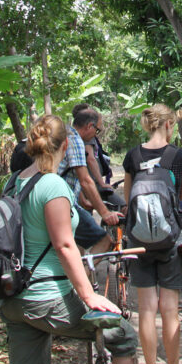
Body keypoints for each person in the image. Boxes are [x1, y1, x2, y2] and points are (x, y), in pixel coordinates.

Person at [0, 114, 138, 364]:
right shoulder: (53, 184)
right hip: (46, 297)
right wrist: (89, 297)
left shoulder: (15, 181)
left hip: (15, 300)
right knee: (124, 336)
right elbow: (64, 245)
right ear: (65, 146)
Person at [122, 104, 182, 364]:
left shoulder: (132, 156)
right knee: (170, 309)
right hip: (170, 238)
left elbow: (129, 198)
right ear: (168, 125)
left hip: (139, 241)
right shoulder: (181, 156)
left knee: (147, 309)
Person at [58, 109, 120, 255]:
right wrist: (105, 213)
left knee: (77, 247)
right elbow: (85, 180)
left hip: (60, 199)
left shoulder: (63, 134)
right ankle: (82, 277)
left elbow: (68, 175)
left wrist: (84, 201)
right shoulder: (75, 140)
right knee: (104, 241)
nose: (95, 135)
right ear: (89, 126)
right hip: (64, 204)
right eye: (97, 130)